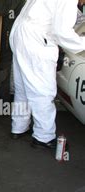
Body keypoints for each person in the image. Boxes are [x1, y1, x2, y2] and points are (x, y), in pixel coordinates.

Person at [10, 0, 85, 149]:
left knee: (23, 87)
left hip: (21, 32)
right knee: (43, 90)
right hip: (36, 39)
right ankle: (43, 137)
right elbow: (62, 32)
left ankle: (19, 127)